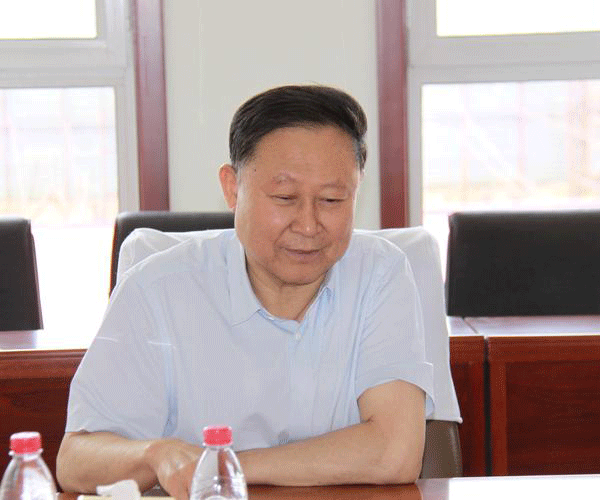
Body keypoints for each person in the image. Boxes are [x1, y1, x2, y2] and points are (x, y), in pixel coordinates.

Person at [57, 84, 434, 499]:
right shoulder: (156, 288)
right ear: (232, 188)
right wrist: (154, 455)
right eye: (285, 197)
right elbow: (76, 461)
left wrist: (219, 467)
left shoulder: (380, 274)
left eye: (331, 199)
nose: (309, 225)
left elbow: (395, 453)